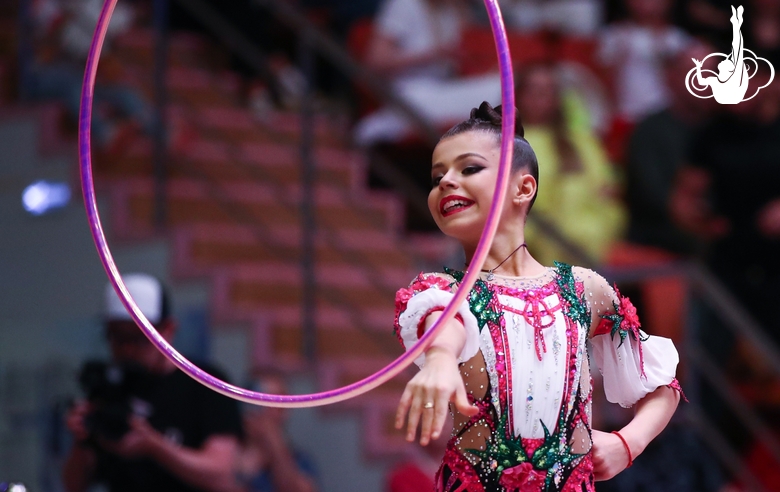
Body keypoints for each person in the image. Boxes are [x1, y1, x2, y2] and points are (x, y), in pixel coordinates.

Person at [393, 102, 683, 490]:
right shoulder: (442, 290)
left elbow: (663, 386)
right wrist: (440, 360)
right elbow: (446, 322)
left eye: (469, 168)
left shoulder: (584, 289)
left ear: (523, 187)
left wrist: (628, 442)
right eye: (437, 176)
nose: (446, 181)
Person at [62, 274, 244, 492]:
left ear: (167, 330)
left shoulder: (204, 382)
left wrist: (154, 446)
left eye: (138, 338)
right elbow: (74, 485)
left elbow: (221, 475)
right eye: (117, 337)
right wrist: (81, 438)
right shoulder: (109, 385)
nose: (127, 349)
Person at [515, 63, 626, 267]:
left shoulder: (582, 140)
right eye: (534, 89)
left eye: (548, 90)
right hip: (538, 248)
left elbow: (606, 189)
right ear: (518, 95)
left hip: (595, 239)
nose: (541, 97)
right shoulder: (503, 145)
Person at [353, 0, 501, 145]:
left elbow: (452, 71)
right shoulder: (405, 4)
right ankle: (383, 123)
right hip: (407, 91)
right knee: (495, 94)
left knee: (500, 86)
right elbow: (375, 61)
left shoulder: (451, 11)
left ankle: (391, 121)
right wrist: (432, 55)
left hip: (439, 90)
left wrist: (484, 75)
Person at [235, 369, 318, 492]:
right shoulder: (228, 451)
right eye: (267, 400)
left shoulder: (300, 461)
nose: (275, 410)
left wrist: (275, 446)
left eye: (283, 401)